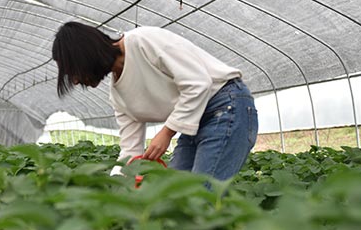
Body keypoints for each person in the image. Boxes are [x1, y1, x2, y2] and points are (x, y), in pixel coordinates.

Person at [51, 21, 258, 181]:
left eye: (73, 71)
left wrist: (166, 133)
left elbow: (198, 82)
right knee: (173, 197)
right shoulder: (118, 96)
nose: (75, 80)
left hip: (225, 105)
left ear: (86, 55)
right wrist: (113, 188)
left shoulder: (142, 41)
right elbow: (130, 152)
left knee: (201, 197)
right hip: (194, 121)